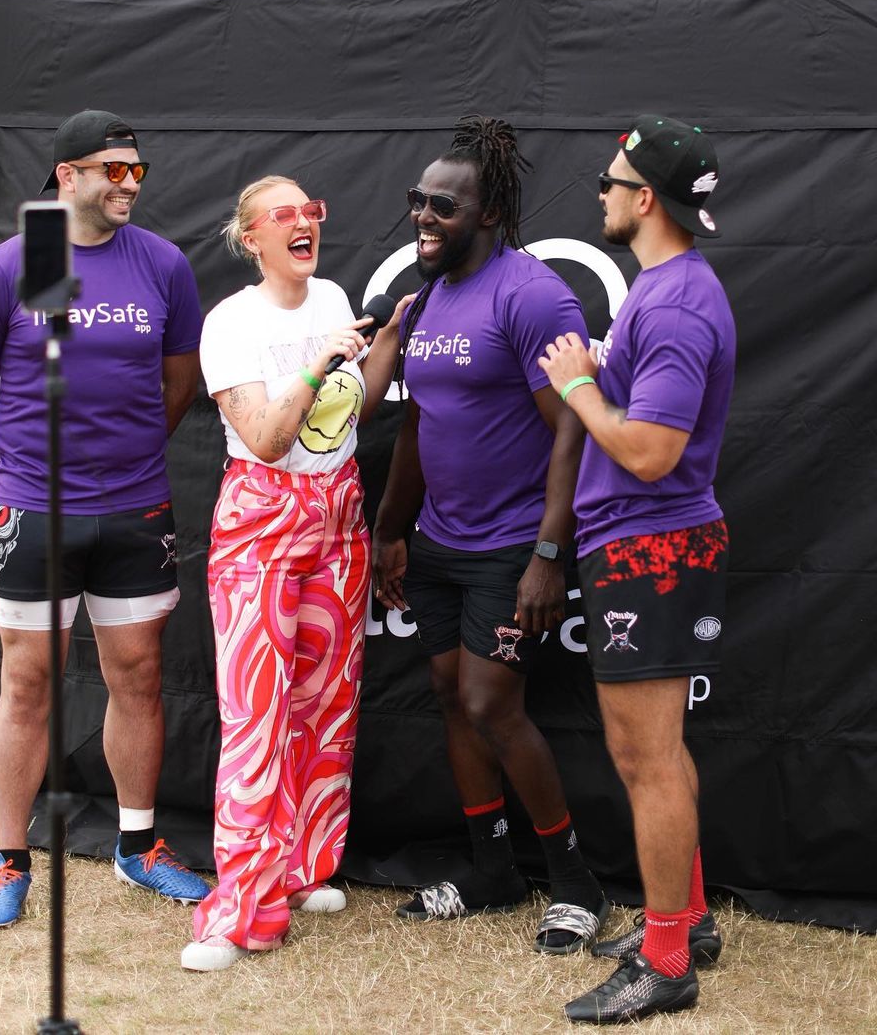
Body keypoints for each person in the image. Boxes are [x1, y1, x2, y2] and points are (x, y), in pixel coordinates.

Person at [0, 108, 208, 927]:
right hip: (37, 514)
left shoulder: (162, 265)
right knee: (27, 683)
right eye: (114, 170)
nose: (130, 184)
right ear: (68, 176)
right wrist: (19, 470)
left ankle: (138, 846)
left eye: (138, 171)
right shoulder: (13, 267)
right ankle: (8, 858)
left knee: (138, 676)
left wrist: (128, 459)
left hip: (136, 509)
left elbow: (178, 385)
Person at [372, 114, 606, 953]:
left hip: (511, 545)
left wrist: (549, 554)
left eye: (443, 205)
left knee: (490, 703)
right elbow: (417, 424)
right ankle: (492, 870)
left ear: (491, 214)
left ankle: (575, 885)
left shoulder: (533, 295)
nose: (424, 216)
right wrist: (390, 530)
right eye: (418, 200)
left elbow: (573, 428)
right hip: (438, 541)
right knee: (448, 695)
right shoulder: (429, 298)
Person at [182, 175, 412, 972]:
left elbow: (353, 415)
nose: (304, 222)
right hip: (262, 520)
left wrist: (387, 340)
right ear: (252, 239)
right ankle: (240, 912)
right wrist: (318, 363)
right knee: (257, 717)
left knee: (327, 702)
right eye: (284, 215)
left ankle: (305, 866)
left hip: (338, 513)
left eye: (311, 210)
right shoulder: (231, 323)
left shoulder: (335, 297)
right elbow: (269, 438)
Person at [537, 115, 734, 1024]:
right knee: (656, 752)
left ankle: (666, 963)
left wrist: (578, 384)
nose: (602, 194)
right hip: (640, 543)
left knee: (644, 759)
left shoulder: (678, 302)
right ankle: (685, 924)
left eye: (612, 182)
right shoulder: (662, 289)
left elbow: (652, 452)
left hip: (653, 544)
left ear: (645, 198)